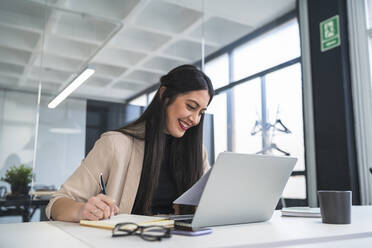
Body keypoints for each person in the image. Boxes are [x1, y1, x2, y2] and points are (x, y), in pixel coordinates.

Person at [46, 64, 214, 222]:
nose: (195, 119)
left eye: (201, 112)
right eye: (191, 106)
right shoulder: (115, 144)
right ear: (164, 95)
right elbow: (57, 204)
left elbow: (210, 207)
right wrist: (82, 210)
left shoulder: (198, 154)